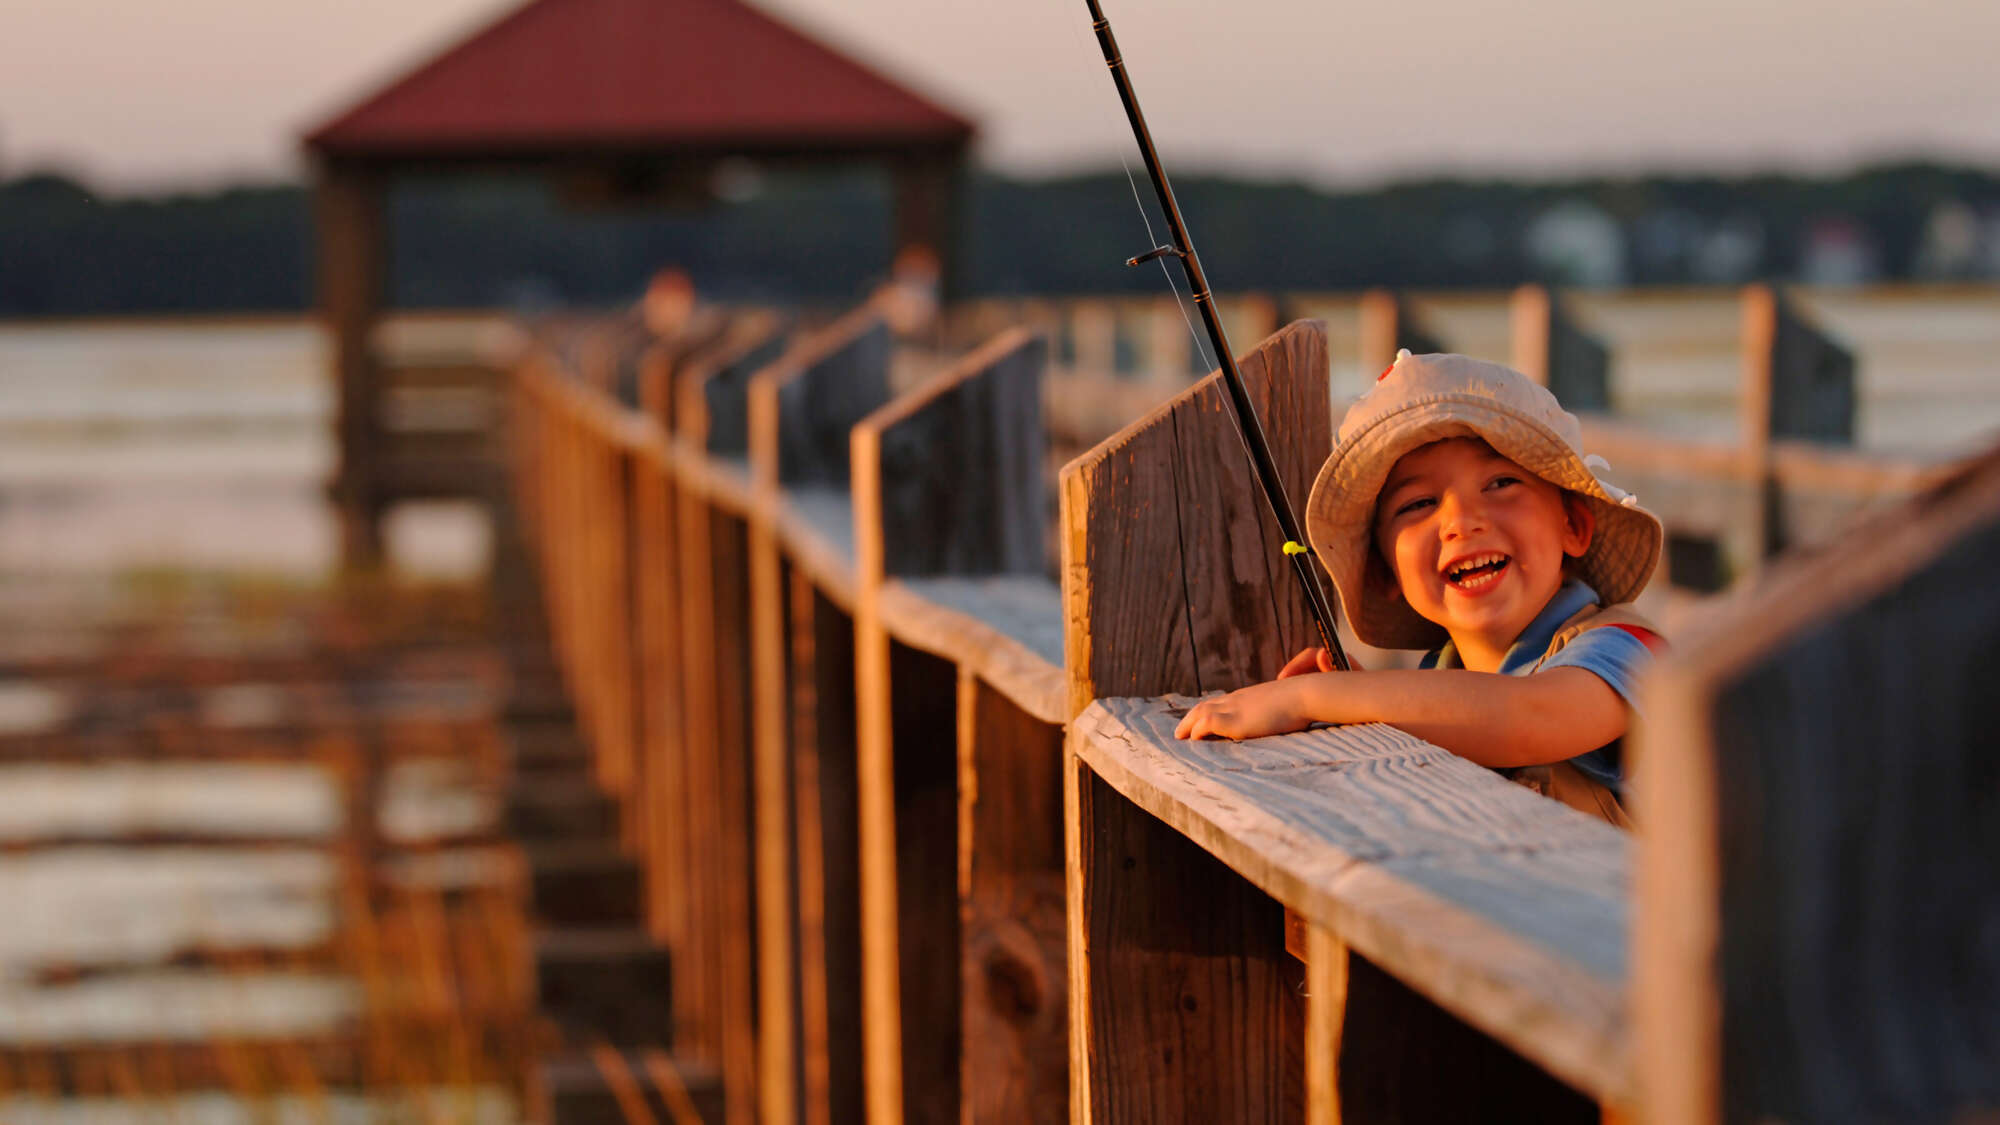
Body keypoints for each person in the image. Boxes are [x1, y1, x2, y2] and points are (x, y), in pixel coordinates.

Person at [1173, 350, 1665, 826]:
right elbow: (1462, 715)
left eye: (1500, 484)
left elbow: (1530, 719)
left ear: (1573, 526)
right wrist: (1360, 712)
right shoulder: (1437, 676)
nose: (1461, 521)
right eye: (1418, 504)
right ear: (1385, 572)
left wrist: (1318, 697)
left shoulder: (1627, 652)